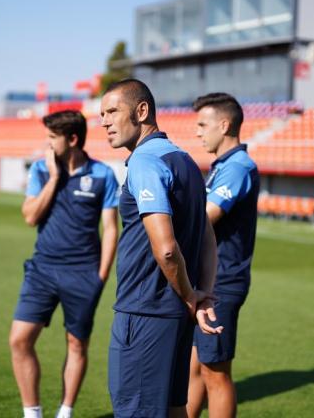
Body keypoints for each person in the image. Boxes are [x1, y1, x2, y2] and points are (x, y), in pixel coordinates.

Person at [100, 79, 221, 418]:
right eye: (101, 114)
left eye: (112, 111)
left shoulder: (144, 162)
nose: (104, 121)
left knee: (137, 411)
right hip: (175, 315)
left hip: (145, 312)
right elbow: (207, 236)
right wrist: (203, 294)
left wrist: (189, 296)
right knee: (173, 409)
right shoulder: (186, 161)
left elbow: (166, 249)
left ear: (141, 111)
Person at [9, 110, 119, 418]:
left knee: (76, 344)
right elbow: (30, 216)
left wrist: (101, 275)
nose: (46, 144)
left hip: (84, 273)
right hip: (42, 269)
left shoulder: (103, 175)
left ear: (71, 139)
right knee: (19, 340)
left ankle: (65, 412)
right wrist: (55, 178)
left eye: (51, 138)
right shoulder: (42, 172)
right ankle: (32, 414)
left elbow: (111, 227)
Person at [187, 93, 260, 418]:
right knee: (192, 369)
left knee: (215, 373)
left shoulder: (239, 167)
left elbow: (206, 215)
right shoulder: (223, 166)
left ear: (225, 124)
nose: (198, 132)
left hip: (223, 283)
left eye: (203, 124)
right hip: (206, 279)